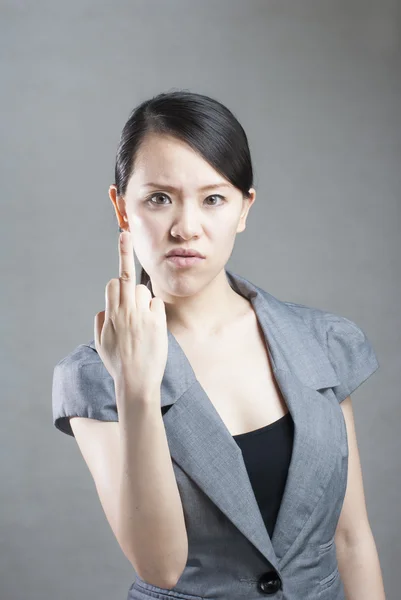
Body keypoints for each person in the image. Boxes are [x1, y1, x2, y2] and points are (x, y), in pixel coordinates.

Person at [52, 90, 385, 600]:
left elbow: (351, 539)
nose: (186, 227)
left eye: (213, 199)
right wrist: (135, 384)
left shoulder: (322, 340)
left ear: (244, 208)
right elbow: (160, 565)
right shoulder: (93, 375)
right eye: (159, 198)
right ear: (122, 207)